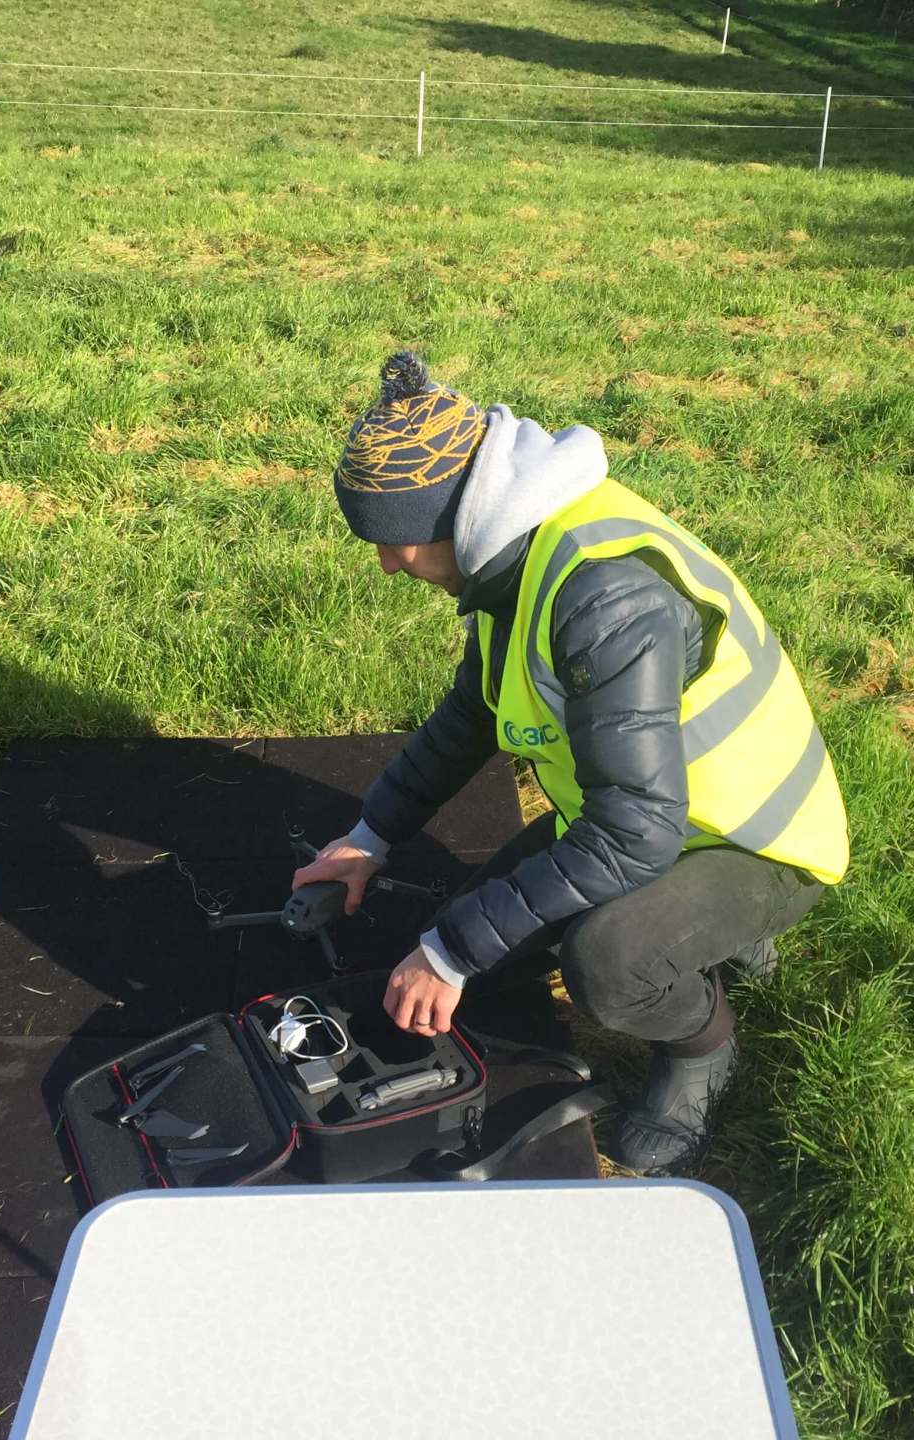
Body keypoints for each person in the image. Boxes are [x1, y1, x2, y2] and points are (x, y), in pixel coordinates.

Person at [290, 351, 849, 1174]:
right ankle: (707, 933)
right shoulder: (510, 554)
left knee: (607, 963)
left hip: (757, 838)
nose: (388, 563)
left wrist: (449, 952)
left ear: (453, 512)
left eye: (397, 539)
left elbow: (635, 832)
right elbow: (471, 716)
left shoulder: (606, 596)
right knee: (486, 929)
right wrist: (369, 837)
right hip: (653, 815)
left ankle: (704, 1045)